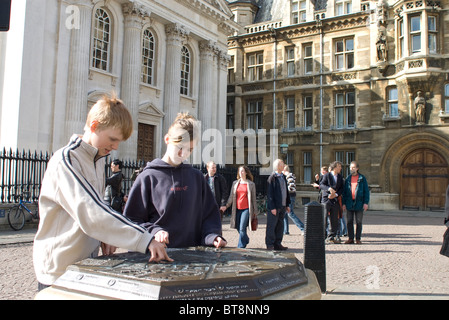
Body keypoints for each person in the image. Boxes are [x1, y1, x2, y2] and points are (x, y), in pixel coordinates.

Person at [33, 94, 171, 290]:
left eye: (119, 142)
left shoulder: (97, 160)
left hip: (83, 267)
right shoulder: (66, 160)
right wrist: (145, 238)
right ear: (94, 125)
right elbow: (90, 211)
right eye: (112, 139)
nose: (115, 147)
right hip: (59, 271)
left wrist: (104, 237)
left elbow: (96, 207)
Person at [124, 112, 227, 250]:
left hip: (193, 259)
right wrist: (154, 232)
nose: (183, 154)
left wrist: (212, 236)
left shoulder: (197, 178)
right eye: (180, 147)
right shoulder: (147, 177)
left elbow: (209, 216)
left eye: (189, 149)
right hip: (156, 258)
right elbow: (131, 221)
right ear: (167, 139)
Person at [225, 166, 257, 248]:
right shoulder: (235, 183)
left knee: (242, 228)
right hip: (237, 209)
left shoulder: (251, 184)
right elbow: (231, 196)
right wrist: (226, 206)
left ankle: (240, 246)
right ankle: (245, 239)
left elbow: (253, 199)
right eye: (239, 171)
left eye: (242, 171)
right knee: (238, 227)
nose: (241, 173)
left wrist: (255, 212)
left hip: (246, 209)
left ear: (246, 172)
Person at [265, 159, 291, 250]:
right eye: (282, 164)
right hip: (275, 207)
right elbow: (270, 194)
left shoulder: (283, 176)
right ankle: (270, 244)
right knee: (272, 226)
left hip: (282, 205)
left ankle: (277, 243)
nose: (284, 165)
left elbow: (286, 191)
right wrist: (272, 207)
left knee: (280, 225)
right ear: (278, 166)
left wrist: (287, 204)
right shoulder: (272, 177)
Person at [342, 161, 370, 244]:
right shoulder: (348, 178)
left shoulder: (362, 178)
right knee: (349, 221)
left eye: (353, 167)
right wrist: (343, 203)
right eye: (350, 167)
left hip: (359, 202)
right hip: (349, 202)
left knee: (359, 221)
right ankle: (350, 238)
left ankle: (358, 238)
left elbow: (366, 191)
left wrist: (366, 203)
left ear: (357, 168)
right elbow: (345, 192)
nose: (351, 169)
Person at [320, 161, 344, 244]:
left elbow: (341, 188)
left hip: (335, 200)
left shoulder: (340, 177)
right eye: (339, 166)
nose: (340, 168)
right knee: (324, 218)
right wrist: (329, 189)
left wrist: (336, 194)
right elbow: (322, 185)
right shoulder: (327, 175)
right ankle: (322, 236)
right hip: (326, 199)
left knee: (334, 219)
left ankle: (331, 236)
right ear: (335, 167)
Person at [283, 165, 304, 235]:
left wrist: (284, 191)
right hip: (288, 197)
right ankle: (285, 230)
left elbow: (291, 188)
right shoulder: (288, 176)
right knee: (285, 214)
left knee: (290, 213)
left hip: (290, 196)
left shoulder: (289, 176)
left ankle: (303, 228)